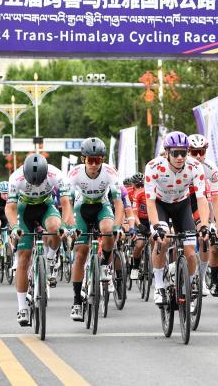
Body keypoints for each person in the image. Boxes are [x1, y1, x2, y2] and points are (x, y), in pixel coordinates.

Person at [144, 131, 210, 305]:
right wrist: (156, 226)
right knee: (163, 240)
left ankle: (190, 287)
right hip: (161, 205)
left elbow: (201, 199)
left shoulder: (195, 166)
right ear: (167, 153)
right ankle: (159, 286)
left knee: (190, 252)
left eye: (183, 152)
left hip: (182, 205)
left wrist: (204, 225)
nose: (180, 157)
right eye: (175, 153)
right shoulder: (153, 167)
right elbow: (150, 201)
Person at [7, 153, 73, 325]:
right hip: (24, 210)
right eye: (32, 182)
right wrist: (15, 227)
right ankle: (22, 307)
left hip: (46, 206)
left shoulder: (56, 174)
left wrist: (64, 225)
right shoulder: (15, 178)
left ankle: (50, 259)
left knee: (55, 228)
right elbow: (10, 208)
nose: (36, 185)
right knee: (23, 259)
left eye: (39, 182)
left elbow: (66, 203)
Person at [66, 137, 125, 321]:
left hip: (101, 206)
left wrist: (117, 227)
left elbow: (118, 203)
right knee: (81, 253)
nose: (93, 164)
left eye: (97, 160)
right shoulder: (75, 173)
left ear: (102, 159)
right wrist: (70, 225)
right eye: (90, 160)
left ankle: (105, 265)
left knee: (108, 230)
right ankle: (77, 301)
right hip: (81, 209)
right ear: (83, 159)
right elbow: (67, 202)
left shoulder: (110, 172)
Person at [187, 133, 218, 296]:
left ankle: (200, 279)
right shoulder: (179, 164)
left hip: (197, 200)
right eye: (194, 152)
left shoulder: (211, 169)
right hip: (178, 199)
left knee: (205, 236)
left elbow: (215, 199)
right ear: (187, 151)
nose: (198, 156)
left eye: (202, 151)